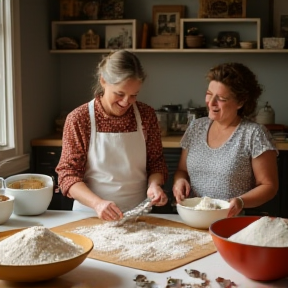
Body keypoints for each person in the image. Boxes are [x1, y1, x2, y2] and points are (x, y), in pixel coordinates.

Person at [56, 50, 168, 221]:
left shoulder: (146, 115)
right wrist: (97, 204)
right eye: (120, 94)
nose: (126, 102)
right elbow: (68, 175)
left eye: (134, 96)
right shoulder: (79, 119)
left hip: (138, 214)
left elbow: (156, 163)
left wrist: (155, 185)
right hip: (89, 215)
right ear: (103, 80)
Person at [173, 62, 278, 218]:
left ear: (240, 102)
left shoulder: (254, 134)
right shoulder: (196, 127)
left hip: (232, 221)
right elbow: (182, 170)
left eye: (221, 98)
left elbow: (269, 186)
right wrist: (179, 181)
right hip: (195, 218)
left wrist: (241, 201)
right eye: (209, 94)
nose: (211, 103)